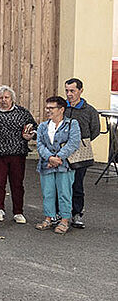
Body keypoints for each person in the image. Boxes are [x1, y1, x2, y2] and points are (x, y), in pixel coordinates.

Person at [0, 85, 37, 224]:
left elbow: (35, 128)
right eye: (1, 97)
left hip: (18, 153)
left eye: (6, 97)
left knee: (17, 184)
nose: (3, 100)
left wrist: (30, 135)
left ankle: (18, 211)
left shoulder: (22, 112)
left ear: (12, 99)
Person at [35, 96, 82, 234]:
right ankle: (49, 218)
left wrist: (58, 158)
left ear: (61, 109)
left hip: (64, 165)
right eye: (47, 107)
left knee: (64, 193)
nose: (48, 110)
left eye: (51, 108)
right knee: (47, 192)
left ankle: (64, 220)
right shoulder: (43, 126)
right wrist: (49, 158)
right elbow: (40, 144)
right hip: (46, 164)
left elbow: (73, 143)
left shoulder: (72, 124)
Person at [63, 78, 99, 229]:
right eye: (67, 91)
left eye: (72, 90)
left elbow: (95, 131)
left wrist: (81, 143)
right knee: (62, 183)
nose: (69, 94)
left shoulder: (89, 110)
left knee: (77, 184)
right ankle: (61, 213)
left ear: (81, 90)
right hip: (62, 150)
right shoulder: (61, 107)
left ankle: (76, 213)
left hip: (80, 151)